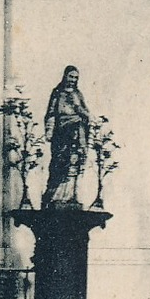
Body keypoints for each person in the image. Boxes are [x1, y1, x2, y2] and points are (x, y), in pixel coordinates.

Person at [43, 66, 92, 208]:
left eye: (76, 78)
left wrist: (86, 116)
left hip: (77, 132)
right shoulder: (57, 93)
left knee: (74, 161)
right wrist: (49, 130)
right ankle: (54, 196)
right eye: (71, 77)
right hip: (61, 132)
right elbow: (51, 112)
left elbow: (84, 110)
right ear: (65, 76)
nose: (73, 80)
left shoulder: (78, 94)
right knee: (59, 162)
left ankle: (70, 196)